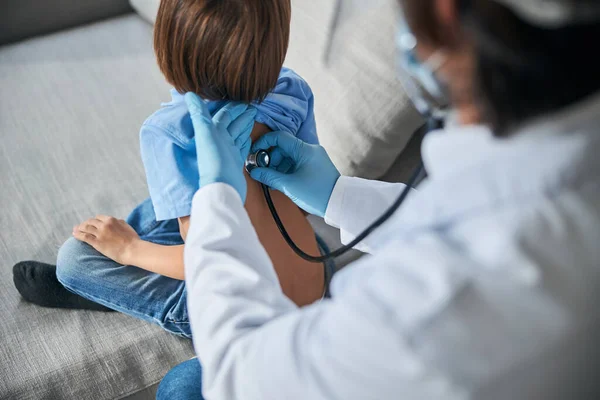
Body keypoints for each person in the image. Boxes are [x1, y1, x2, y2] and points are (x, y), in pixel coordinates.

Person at [157, 0, 600, 398]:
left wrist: (217, 200)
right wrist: (339, 194)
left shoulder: (429, 312)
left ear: (444, 15)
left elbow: (238, 375)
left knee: (181, 387)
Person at [12, 0, 332, 338]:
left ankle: (114, 285)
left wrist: (129, 250)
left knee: (74, 260)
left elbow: (207, 262)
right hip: (315, 270)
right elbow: (305, 204)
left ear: (166, 46)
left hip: (257, 319)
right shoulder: (290, 89)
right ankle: (131, 254)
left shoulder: (170, 133)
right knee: (167, 205)